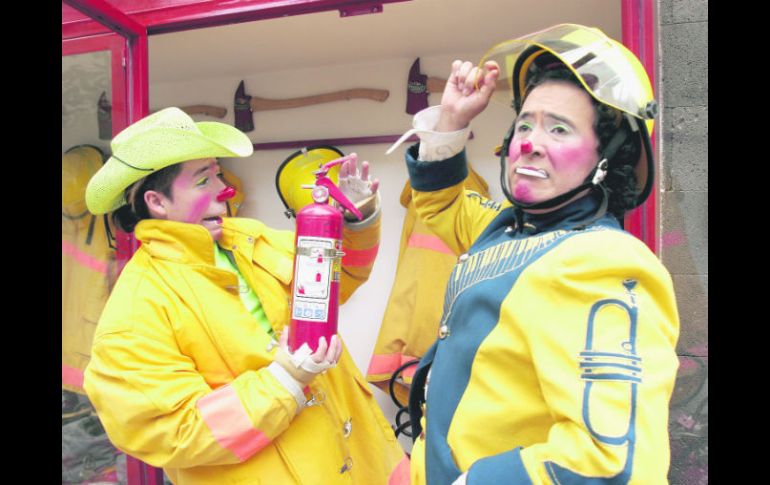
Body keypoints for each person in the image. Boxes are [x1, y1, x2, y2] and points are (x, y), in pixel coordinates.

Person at [386, 24, 680, 485]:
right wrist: (452, 123)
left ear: (608, 157)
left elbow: (613, 462)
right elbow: (441, 204)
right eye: (524, 123)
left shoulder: (605, 262)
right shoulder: (503, 228)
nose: (528, 142)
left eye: (558, 129)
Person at [82, 107, 405, 485]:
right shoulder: (135, 310)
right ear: (157, 202)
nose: (225, 188)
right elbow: (175, 430)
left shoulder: (251, 238)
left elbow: (339, 281)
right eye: (204, 180)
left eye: (218, 173)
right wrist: (285, 381)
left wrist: (355, 219)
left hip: (367, 467)